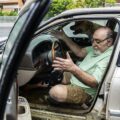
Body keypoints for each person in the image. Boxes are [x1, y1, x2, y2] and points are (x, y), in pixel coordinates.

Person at [49, 26, 113, 105]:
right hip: (77, 79)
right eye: (93, 40)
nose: (93, 44)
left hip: (86, 91)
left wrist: (73, 68)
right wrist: (63, 37)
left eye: (98, 41)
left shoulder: (110, 56)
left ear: (109, 42)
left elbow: (94, 83)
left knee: (55, 92)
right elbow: (80, 52)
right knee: (55, 72)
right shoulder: (98, 48)